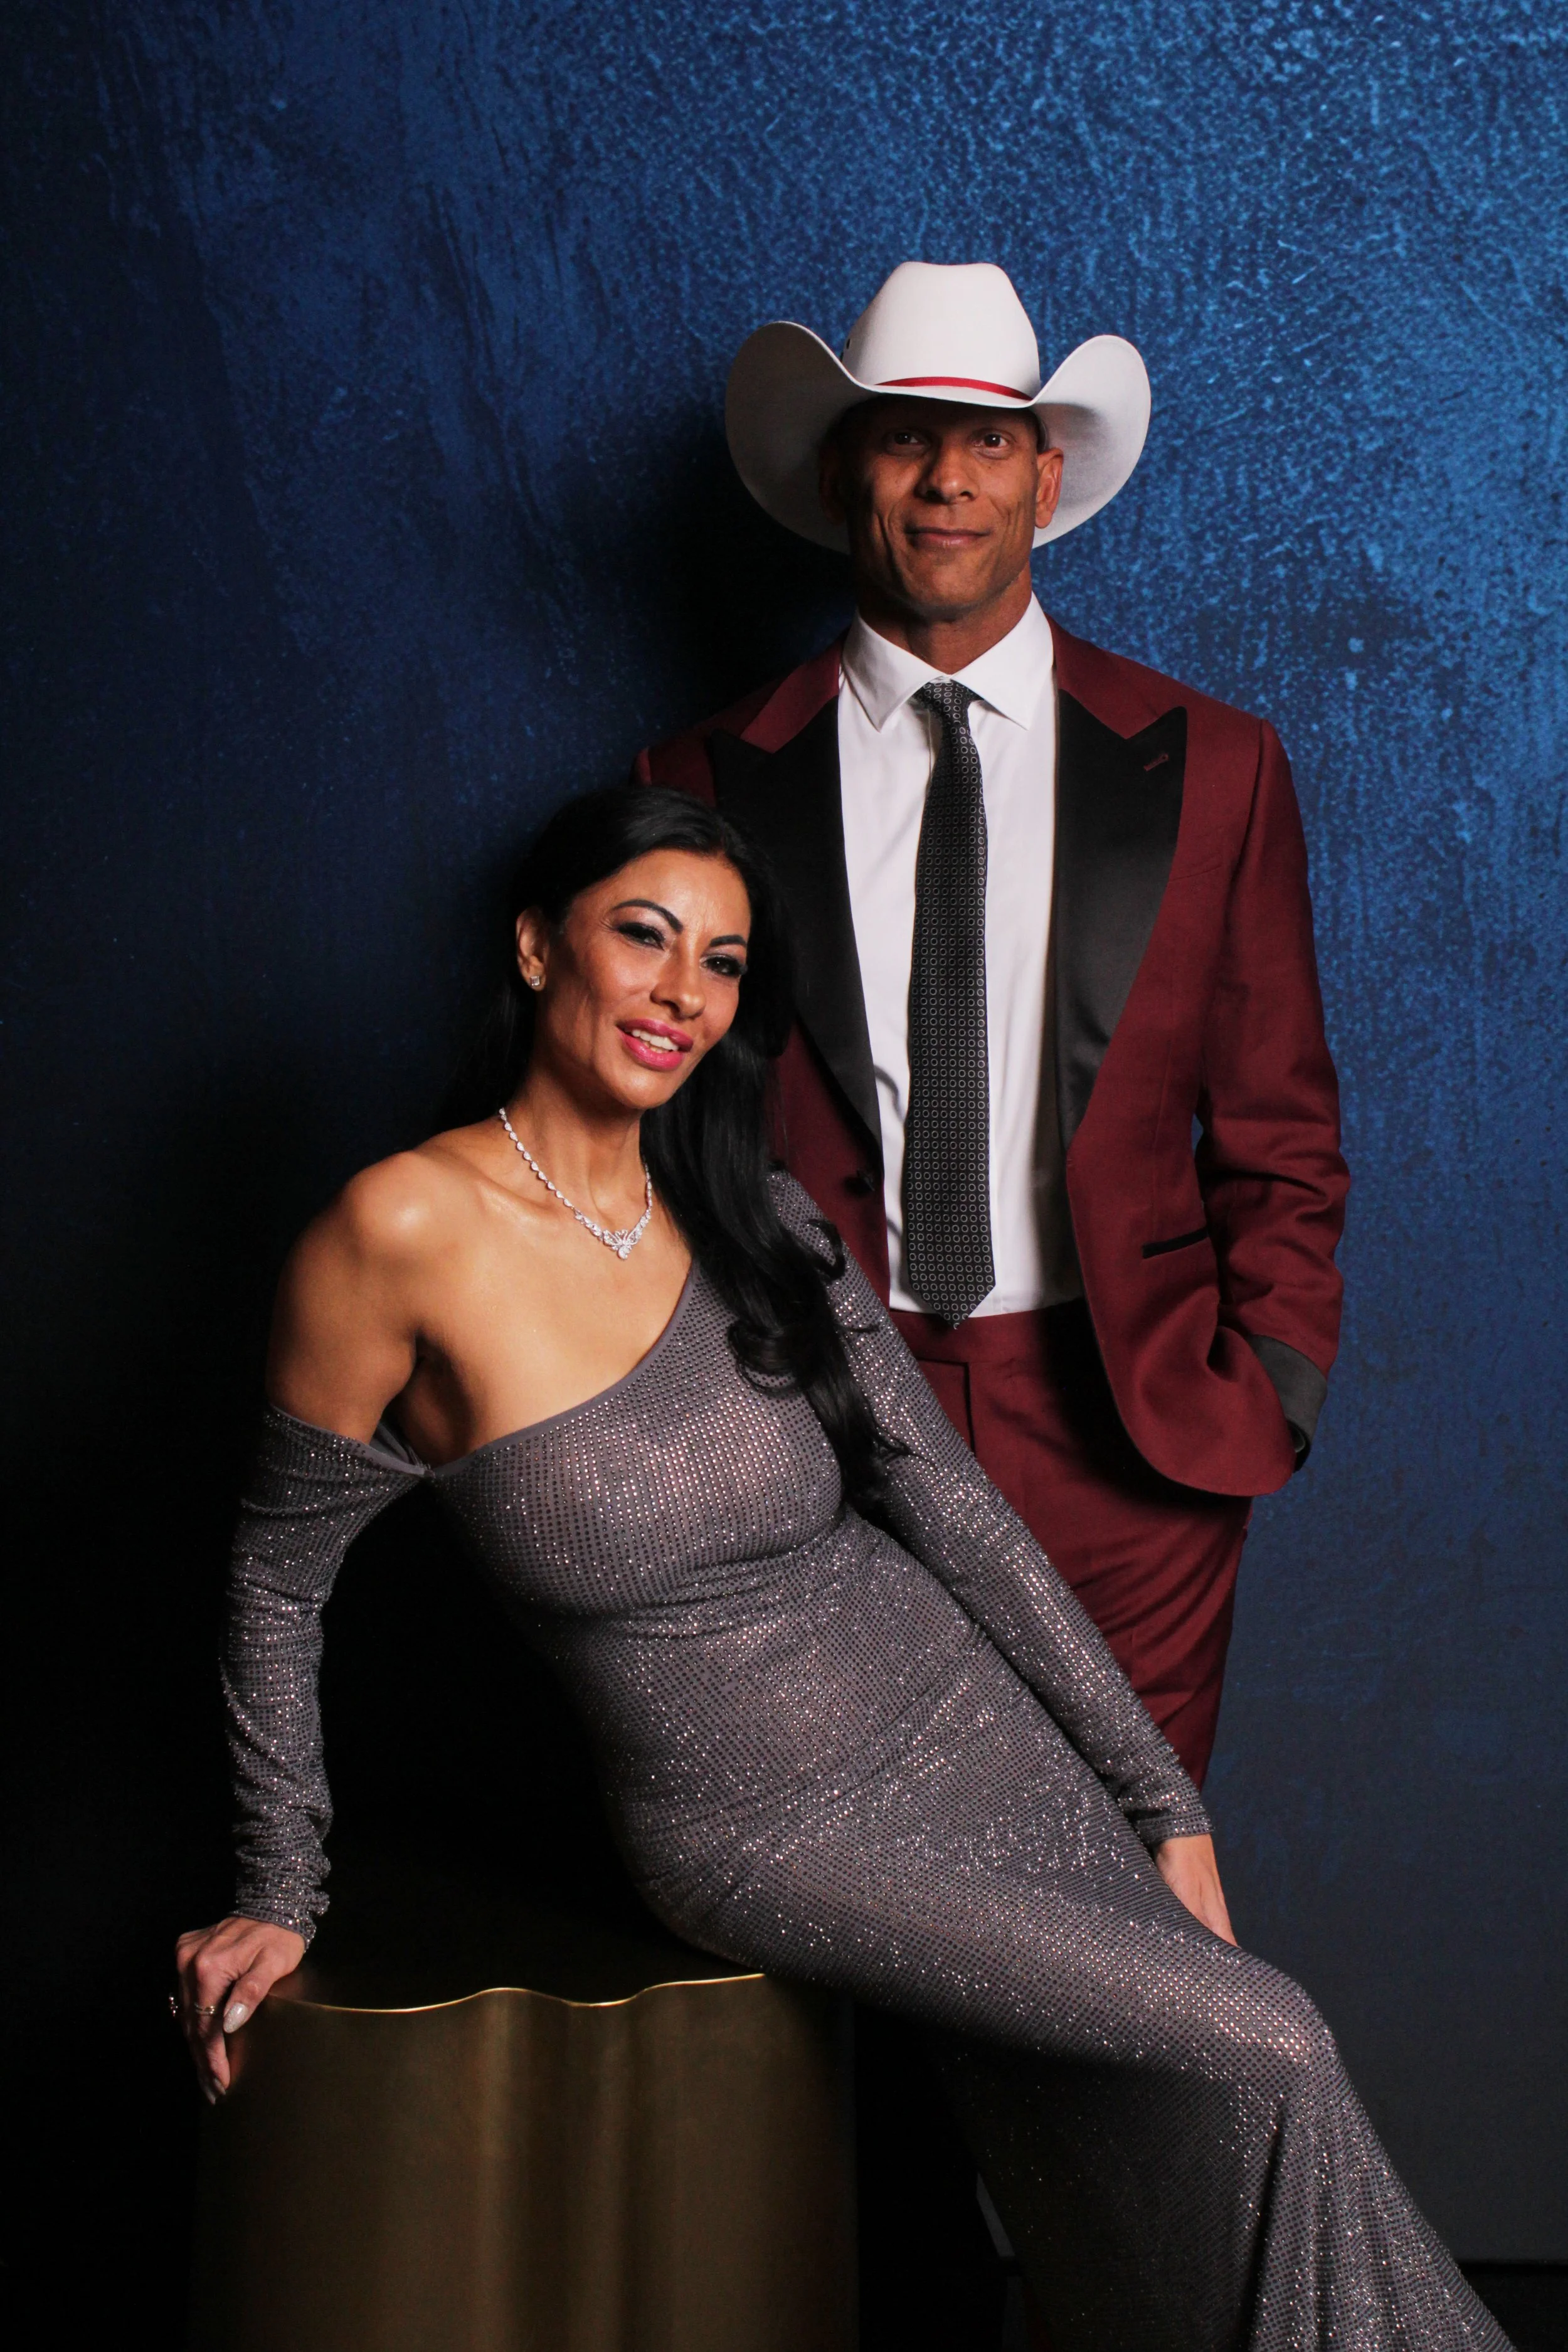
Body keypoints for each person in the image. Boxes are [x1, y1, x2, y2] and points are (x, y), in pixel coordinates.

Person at [176, 787, 1503, 2351]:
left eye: (722, 963)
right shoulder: (396, 1229)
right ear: (537, 946)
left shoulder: (755, 1214)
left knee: (1159, 2128)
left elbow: (951, 1512)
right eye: (644, 936)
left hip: (965, 1724)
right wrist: (278, 1887)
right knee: (1267, 2036)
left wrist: (1161, 1801)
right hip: (759, 1828)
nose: (681, 992)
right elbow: (277, 1582)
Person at [637, 260, 1350, 1789]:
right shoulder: (700, 779)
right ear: (842, 474)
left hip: (1128, 1430)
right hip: (822, 1423)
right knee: (863, 1881)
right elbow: (654, 1141)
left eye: (986, 441)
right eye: (902, 438)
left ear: (1046, 477)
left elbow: (1279, 1121)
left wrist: (1268, 1383)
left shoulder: (1216, 767)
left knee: (1132, 1890)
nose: (945, 480)